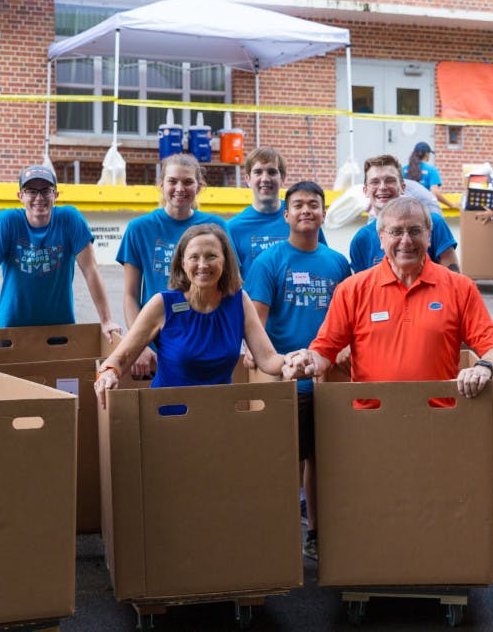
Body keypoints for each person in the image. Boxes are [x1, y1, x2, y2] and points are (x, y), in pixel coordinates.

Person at [284, 196, 493, 402]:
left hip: (438, 419)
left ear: (429, 236)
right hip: (372, 419)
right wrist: (307, 361)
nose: (406, 240)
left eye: (414, 230)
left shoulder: (460, 287)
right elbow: (324, 351)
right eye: (396, 232)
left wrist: (483, 367)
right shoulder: (352, 290)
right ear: (381, 238)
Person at [244, 181, 352, 561]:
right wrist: (270, 362)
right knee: (285, 460)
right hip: (285, 381)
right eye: (299, 205)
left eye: (314, 205)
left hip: (329, 384)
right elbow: (254, 325)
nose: (307, 210)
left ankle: (316, 533)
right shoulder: (269, 262)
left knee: (321, 461)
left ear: (324, 214)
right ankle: (279, 536)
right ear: (286, 215)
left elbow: (349, 320)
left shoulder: (337, 263)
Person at [95, 223, 287, 397]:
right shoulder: (163, 304)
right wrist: (109, 372)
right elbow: (121, 357)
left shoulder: (239, 301)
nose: (203, 265)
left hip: (220, 417)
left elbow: (268, 359)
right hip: (168, 416)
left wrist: (294, 360)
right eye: (194, 257)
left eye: (211, 256)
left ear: (225, 261)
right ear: (182, 263)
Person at [0, 165, 122, 340]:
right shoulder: (7, 222)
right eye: (31, 191)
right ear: (20, 196)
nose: (39, 197)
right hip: (11, 330)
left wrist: (106, 320)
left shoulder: (69, 219)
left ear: (56, 195)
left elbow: (90, 270)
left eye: (46, 191)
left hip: (59, 329)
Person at [116, 153, 229, 377]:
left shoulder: (216, 227)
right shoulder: (139, 228)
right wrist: (139, 344)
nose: (180, 188)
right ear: (161, 185)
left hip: (205, 340)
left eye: (188, 182)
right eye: (172, 181)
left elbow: (229, 287)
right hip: (157, 344)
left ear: (200, 187)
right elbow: (130, 295)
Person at [349, 154, 459, 273]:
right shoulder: (361, 239)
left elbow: (453, 280)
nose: (382, 187)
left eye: (390, 180)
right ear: (365, 190)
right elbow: (361, 287)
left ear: (402, 187)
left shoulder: (433, 223)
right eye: (375, 182)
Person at [227, 146, 326, 276]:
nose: (265, 179)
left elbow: (321, 260)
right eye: (258, 172)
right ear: (248, 179)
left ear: (283, 178)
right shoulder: (233, 228)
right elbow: (233, 280)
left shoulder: (301, 217)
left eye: (272, 172)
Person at [404, 141, 457, 211]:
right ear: (426, 154)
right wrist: (451, 205)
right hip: (425, 210)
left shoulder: (403, 169)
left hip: (406, 209)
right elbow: (435, 192)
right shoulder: (431, 170)